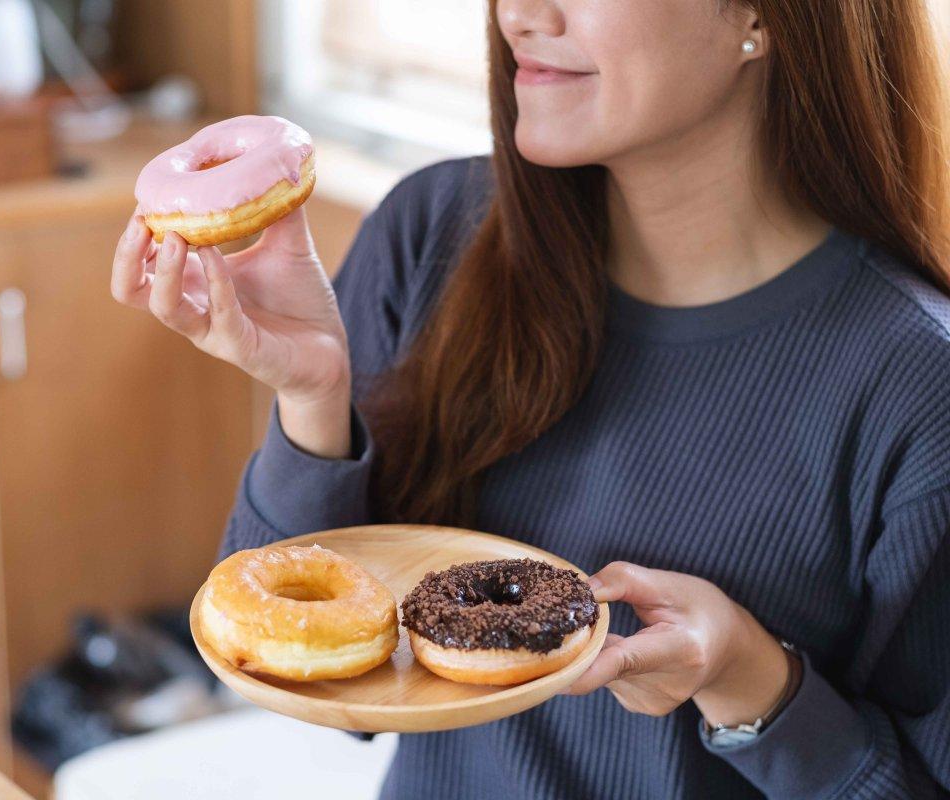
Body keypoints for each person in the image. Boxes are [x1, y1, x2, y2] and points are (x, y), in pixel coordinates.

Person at [111, 1, 950, 797]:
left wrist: (751, 682)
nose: (520, 14)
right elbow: (314, 686)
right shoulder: (433, 231)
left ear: (764, 14)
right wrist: (314, 397)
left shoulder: (918, 388)